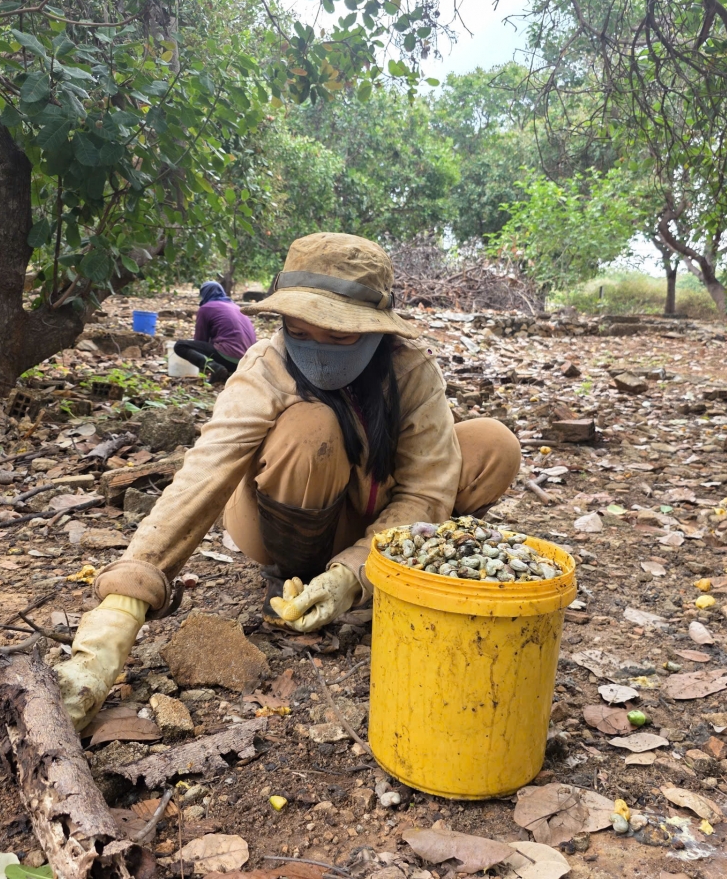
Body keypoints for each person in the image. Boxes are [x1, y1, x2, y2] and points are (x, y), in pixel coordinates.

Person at [55, 233, 522, 729]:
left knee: (493, 444)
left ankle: (386, 571)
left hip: (372, 523)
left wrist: (353, 574)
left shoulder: (411, 370)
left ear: (376, 331)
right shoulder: (265, 365)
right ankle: (296, 571)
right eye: (299, 330)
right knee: (311, 428)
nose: (317, 349)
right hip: (280, 517)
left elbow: (428, 488)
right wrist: (126, 599)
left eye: (340, 337)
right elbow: (203, 473)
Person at [173, 280, 257, 382]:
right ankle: (222, 373)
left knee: (180, 345)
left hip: (228, 357)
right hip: (246, 362)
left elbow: (200, 339)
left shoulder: (206, 308)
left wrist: (202, 367)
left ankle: (214, 368)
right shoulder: (236, 307)